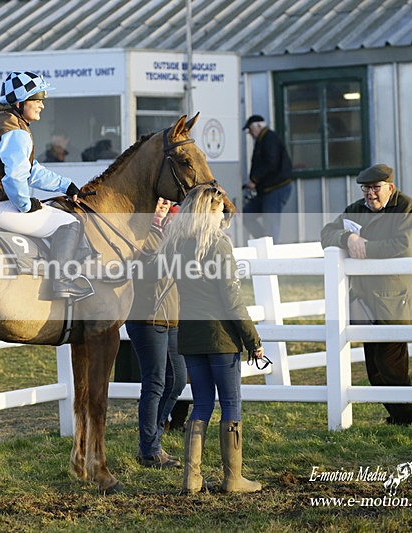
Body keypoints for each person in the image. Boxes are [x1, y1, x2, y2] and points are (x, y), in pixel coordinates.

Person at [160, 185, 264, 494]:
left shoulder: (175, 244)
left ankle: (191, 478)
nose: (222, 218)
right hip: (220, 336)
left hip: (189, 334)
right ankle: (233, 478)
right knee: (231, 403)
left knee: (202, 404)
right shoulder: (218, 246)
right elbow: (231, 299)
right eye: (219, 212)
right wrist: (252, 338)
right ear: (210, 213)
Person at [0, 70, 92, 300]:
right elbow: (15, 177)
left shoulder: (0, 124)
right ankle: (62, 282)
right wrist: (24, 204)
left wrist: (66, 185)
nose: (42, 104)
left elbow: (30, 171)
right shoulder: (16, 132)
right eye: (38, 99)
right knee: (69, 222)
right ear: (20, 103)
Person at [320, 164, 412, 426]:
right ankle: (397, 417)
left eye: (376, 188)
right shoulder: (356, 209)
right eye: (366, 188)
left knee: (390, 364)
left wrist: (365, 247)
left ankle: (408, 420)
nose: (370, 194)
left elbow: (405, 246)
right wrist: (347, 239)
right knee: (374, 369)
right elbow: (326, 233)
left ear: (390, 186)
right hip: (365, 302)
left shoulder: (406, 208)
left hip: (395, 301)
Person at [127, 198, 186, 469]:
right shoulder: (137, 234)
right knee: (155, 383)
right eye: (157, 200)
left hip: (171, 317)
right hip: (147, 317)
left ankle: (152, 438)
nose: (162, 205)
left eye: (165, 201)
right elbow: (147, 273)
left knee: (178, 381)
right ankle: (149, 449)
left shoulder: (166, 231)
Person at [242, 114, 293, 243]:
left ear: (258, 126)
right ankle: (264, 243)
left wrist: (255, 180)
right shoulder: (264, 139)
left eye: (250, 129)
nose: (250, 133)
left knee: (271, 224)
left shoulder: (269, 138)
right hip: (266, 190)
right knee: (247, 215)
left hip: (276, 188)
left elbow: (271, 163)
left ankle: (271, 250)